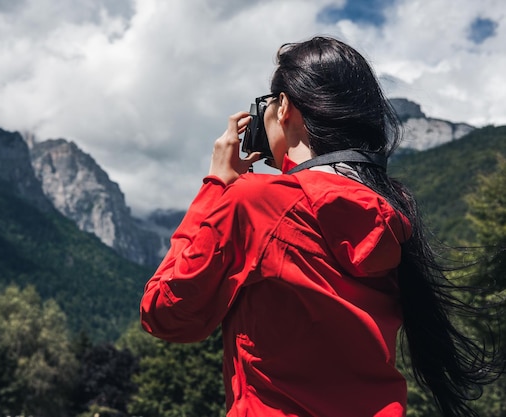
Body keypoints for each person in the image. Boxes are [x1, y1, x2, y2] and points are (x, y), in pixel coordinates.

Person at [140, 36, 502, 417]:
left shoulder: (257, 202)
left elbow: (166, 314)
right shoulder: (391, 213)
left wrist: (215, 185)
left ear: (284, 108)